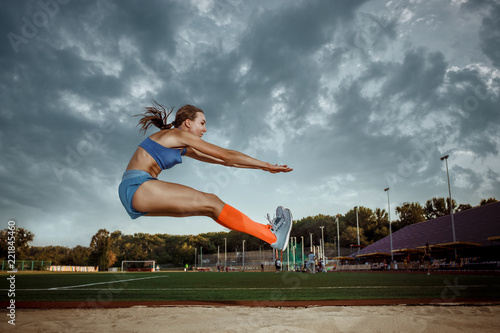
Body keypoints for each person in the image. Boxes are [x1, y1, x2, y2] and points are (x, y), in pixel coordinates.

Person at [118, 102, 293, 250]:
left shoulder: (183, 145)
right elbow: (226, 155)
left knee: (211, 207)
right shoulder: (178, 134)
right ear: (187, 123)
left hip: (137, 190)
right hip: (137, 186)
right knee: (211, 201)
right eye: (202, 123)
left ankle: (270, 234)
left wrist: (264, 168)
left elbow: (226, 162)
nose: (205, 129)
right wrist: (267, 165)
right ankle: (271, 235)